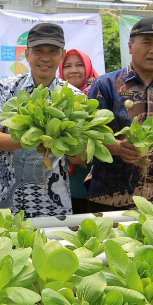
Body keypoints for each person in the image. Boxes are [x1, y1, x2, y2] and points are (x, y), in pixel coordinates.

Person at [86, 16, 153, 210]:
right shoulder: (106, 85)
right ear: (130, 45)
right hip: (110, 197)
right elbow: (87, 134)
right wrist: (116, 146)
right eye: (147, 42)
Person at [0, 23, 84, 218]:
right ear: (27, 53)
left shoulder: (74, 96)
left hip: (54, 203)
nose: (45, 57)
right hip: (8, 200)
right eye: (38, 51)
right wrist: (35, 138)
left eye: (53, 51)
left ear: (62, 55)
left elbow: (80, 158)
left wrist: (61, 140)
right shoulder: (5, 88)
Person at [59, 48, 100, 214]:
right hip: (60, 178)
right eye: (67, 66)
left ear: (88, 68)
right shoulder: (53, 94)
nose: (73, 70)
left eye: (79, 65)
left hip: (91, 174)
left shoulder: (100, 93)